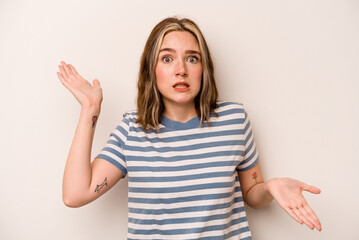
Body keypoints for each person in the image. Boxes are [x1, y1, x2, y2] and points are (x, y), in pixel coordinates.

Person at [57, 17, 322, 239]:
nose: (181, 70)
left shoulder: (235, 120)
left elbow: (252, 194)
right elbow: (75, 194)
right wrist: (90, 110)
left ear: (204, 68)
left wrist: (271, 187)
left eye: (192, 59)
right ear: (152, 69)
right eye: (167, 59)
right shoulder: (132, 130)